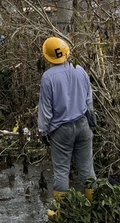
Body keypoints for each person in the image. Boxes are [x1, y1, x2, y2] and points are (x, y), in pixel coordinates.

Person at [37, 36, 96, 209]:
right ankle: (93, 208)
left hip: (61, 130)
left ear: (47, 56)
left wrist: (43, 131)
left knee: (62, 171)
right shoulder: (80, 70)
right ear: (67, 52)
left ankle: (62, 212)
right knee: (87, 169)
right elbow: (88, 99)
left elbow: (45, 109)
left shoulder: (48, 78)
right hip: (83, 125)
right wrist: (91, 119)